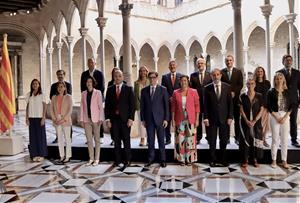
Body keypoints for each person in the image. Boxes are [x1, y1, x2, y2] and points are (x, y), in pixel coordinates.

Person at [105, 70, 135, 168]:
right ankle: (117, 160)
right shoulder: (110, 89)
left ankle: (128, 159)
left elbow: (132, 105)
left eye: (119, 76)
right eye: (115, 76)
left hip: (125, 120)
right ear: (113, 77)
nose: (117, 78)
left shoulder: (129, 89)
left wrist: (131, 118)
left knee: (126, 141)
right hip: (114, 120)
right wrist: (108, 119)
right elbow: (107, 106)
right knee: (116, 140)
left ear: (122, 77)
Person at [204, 68, 233, 167]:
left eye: (217, 74)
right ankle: (212, 159)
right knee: (212, 140)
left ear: (220, 75)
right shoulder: (207, 88)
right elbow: (205, 105)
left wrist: (230, 117)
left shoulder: (227, 87)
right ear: (211, 76)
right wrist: (206, 118)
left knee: (223, 140)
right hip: (211, 119)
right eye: (214, 75)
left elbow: (230, 103)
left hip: (224, 118)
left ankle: (223, 159)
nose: (216, 76)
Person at [141, 71, 169, 168]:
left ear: (157, 78)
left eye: (154, 77)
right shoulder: (144, 90)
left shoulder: (163, 90)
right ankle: (150, 159)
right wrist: (142, 119)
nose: (152, 79)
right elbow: (142, 106)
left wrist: (166, 119)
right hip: (149, 120)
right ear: (148, 79)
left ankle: (163, 159)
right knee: (151, 140)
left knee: (161, 140)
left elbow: (166, 106)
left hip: (160, 119)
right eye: (150, 78)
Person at [171, 75, 200, 166]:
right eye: (182, 80)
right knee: (180, 140)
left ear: (188, 81)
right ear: (179, 82)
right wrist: (173, 119)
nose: (183, 82)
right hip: (179, 120)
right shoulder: (175, 92)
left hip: (191, 119)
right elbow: (173, 108)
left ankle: (190, 159)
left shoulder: (194, 92)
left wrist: (197, 119)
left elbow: (197, 107)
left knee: (190, 140)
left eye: (185, 80)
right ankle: (182, 159)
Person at [267, 73, 293, 169]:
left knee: (284, 139)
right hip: (274, 115)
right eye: (277, 79)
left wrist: (286, 117)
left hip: (285, 115)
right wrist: (276, 117)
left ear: (283, 80)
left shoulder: (288, 92)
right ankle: (273, 160)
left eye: (280, 78)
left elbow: (291, 106)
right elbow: (268, 106)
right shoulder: (271, 91)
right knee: (275, 139)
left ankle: (284, 160)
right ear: (274, 80)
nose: (279, 80)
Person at [239, 79, 264, 168]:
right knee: (246, 139)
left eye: (252, 83)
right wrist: (246, 121)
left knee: (256, 139)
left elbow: (262, 109)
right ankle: (245, 159)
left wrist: (254, 121)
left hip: (256, 122)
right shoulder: (243, 96)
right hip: (245, 122)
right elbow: (241, 109)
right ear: (246, 85)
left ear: (255, 84)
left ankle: (255, 159)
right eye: (248, 84)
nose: (250, 85)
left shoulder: (259, 96)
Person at [80, 76, 104, 166]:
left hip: (96, 119)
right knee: (89, 140)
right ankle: (91, 158)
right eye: (87, 82)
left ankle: (97, 159)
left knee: (97, 140)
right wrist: (82, 120)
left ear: (93, 83)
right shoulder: (83, 93)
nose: (89, 83)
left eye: (90, 82)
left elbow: (100, 107)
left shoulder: (98, 93)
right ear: (86, 84)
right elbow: (82, 107)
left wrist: (101, 118)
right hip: (87, 120)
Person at [277, 54, 300, 147]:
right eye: (287, 60)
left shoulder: (297, 73)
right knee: (283, 121)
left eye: (290, 60)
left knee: (293, 121)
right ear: (283, 62)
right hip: (283, 101)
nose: (289, 62)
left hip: (294, 101)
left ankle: (294, 140)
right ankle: (282, 140)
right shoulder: (279, 73)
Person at [80, 58, 105, 141]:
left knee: (97, 116)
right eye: (89, 62)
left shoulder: (99, 73)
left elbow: (102, 86)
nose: (90, 63)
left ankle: (99, 136)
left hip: (97, 97)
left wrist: (97, 95)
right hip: (87, 96)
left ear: (95, 63)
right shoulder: (84, 74)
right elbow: (82, 86)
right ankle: (89, 137)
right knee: (89, 116)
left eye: (92, 62)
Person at [221, 55, 243, 145]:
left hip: (236, 99)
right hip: (225, 100)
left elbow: (240, 84)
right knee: (226, 120)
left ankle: (237, 138)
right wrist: (227, 93)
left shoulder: (238, 72)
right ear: (225, 62)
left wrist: (234, 92)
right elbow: (221, 84)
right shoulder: (222, 72)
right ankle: (226, 138)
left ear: (233, 61)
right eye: (227, 60)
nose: (229, 62)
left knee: (237, 119)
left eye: (230, 60)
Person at [190, 58, 212, 144]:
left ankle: (209, 137)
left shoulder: (210, 75)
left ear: (205, 64)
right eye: (198, 63)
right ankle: (198, 138)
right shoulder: (193, 75)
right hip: (197, 101)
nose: (200, 65)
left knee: (207, 119)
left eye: (202, 63)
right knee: (197, 119)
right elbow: (191, 88)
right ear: (196, 65)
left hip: (207, 102)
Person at [50, 82, 73, 163]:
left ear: (65, 88)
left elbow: (70, 110)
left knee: (67, 139)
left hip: (65, 120)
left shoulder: (68, 97)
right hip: (57, 120)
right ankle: (62, 156)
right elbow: (51, 109)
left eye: (62, 86)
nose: (60, 88)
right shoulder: (54, 97)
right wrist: (54, 119)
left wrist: (63, 119)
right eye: (58, 87)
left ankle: (68, 156)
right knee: (59, 139)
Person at [25, 79, 47, 162]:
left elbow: (45, 106)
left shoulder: (42, 95)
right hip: (31, 117)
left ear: (39, 85)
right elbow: (27, 107)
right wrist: (26, 118)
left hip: (39, 118)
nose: (35, 85)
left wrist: (43, 117)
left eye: (36, 83)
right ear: (31, 85)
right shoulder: (28, 95)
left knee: (41, 136)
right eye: (33, 84)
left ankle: (41, 154)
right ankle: (34, 154)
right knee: (33, 137)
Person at [161, 60, 183, 145]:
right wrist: (168, 97)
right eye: (171, 65)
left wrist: (177, 98)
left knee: (179, 120)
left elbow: (182, 88)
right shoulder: (165, 77)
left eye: (174, 65)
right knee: (168, 120)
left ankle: (179, 137)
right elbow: (163, 89)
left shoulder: (180, 76)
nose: (172, 66)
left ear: (176, 66)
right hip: (168, 102)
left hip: (178, 103)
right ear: (169, 67)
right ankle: (168, 139)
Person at [50, 69, 72, 144]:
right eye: (58, 75)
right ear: (57, 76)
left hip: (65, 110)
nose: (60, 76)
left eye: (61, 74)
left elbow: (69, 96)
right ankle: (58, 137)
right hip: (57, 109)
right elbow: (51, 96)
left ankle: (69, 137)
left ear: (64, 75)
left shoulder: (68, 85)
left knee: (67, 126)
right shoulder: (53, 86)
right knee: (58, 128)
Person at [254, 66, 271, 147]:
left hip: (265, 106)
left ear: (263, 73)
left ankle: (264, 140)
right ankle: (258, 140)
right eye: (258, 71)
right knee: (258, 124)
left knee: (265, 124)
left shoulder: (267, 83)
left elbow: (269, 95)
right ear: (256, 73)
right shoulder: (254, 82)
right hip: (257, 107)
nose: (260, 73)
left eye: (261, 71)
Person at [134, 66, 149, 146]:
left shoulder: (150, 81)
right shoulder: (136, 83)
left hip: (149, 105)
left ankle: (149, 138)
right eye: (141, 71)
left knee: (149, 122)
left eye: (144, 71)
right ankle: (142, 139)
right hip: (140, 105)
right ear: (139, 72)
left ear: (147, 72)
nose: (143, 72)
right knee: (141, 123)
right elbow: (135, 95)